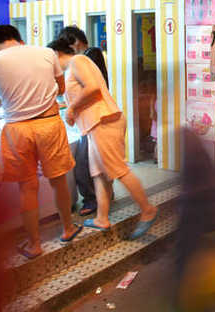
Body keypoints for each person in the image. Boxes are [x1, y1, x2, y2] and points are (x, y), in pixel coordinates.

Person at [0, 25, 80, 259]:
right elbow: (60, 87)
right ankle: (67, 229)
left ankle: (34, 244)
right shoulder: (46, 53)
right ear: (19, 39)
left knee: (27, 188)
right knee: (58, 180)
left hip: (17, 128)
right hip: (48, 122)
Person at [49, 38, 158, 238]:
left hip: (103, 121)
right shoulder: (73, 67)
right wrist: (70, 108)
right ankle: (102, 218)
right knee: (99, 173)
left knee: (118, 170)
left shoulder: (77, 62)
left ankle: (147, 209)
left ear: (56, 53)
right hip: (95, 124)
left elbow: (92, 88)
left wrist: (72, 109)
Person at [57, 25, 107, 216]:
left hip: (94, 117)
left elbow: (91, 87)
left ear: (75, 42)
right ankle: (99, 199)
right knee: (95, 164)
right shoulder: (84, 57)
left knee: (86, 163)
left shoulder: (87, 56)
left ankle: (92, 200)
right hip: (90, 117)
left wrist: (71, 107)